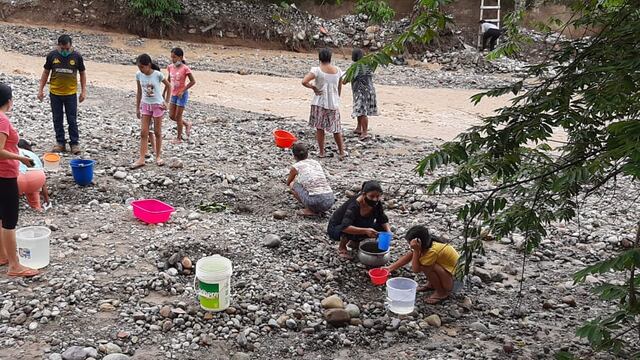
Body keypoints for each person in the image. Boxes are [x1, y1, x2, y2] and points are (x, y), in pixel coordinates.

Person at [0, 83, 39, 277]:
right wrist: (21, 158)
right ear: (9, 101)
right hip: (5, 175)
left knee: (0, 216)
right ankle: (14, 266)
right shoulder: (2, 120)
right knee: (9, 220)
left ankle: (3, 256)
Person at [37, 34, 87, 155]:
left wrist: (83, 91)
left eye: (67, 48)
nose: (65, 51)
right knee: (57, 119)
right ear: (58, 46)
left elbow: (82, 73)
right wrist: (40, 89)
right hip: (55, 93)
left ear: (71, 46)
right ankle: (60, 143)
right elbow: (45, 73)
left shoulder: (77, 56)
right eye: (62, 49)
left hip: (70, 94)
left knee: (72, 119)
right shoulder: (52, 56)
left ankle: (74, 143)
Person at [386, 225, 460, 304]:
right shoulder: (428, 243)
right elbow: (410, 255)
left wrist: (416, 250)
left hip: (456, 282)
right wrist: (390, 268)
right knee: (427, 263)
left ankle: (441, 292)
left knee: (427, 267)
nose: (410, 246)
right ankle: (431, 285)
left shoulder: (432, 251)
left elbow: (416, 269)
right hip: (449, 274)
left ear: (418, 242)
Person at [327, 180, 390, 259]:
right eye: (371, 196)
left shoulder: (377, 203)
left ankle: (354, 242)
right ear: (364, 194)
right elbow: (345, 227)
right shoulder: (354, 206)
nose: (375, 199)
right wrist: (366, 231)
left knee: (381, 228)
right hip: (337, 228)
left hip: (360, 224)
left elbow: (382, 219)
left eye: (378, 196)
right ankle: (342, 247)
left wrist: (388, 232)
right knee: (351, 226)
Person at [302, 48, 346, 160]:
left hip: (319, 102)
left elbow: (304, 81)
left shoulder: (317, 70)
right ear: (330, 58)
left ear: (320, 58)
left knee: (320, 128)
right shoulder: (338, 71)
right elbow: (339, 87)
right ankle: (341, 151)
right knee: (336, 129)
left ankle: (322, 152)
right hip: (333, 103)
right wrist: (336, 98)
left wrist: (313, 87)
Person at [131, 54, 171, 169]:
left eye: (142, 67)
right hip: (145, 105)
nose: (140, 70)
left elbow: (169, 86)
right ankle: (141, 158)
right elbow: (139, 92)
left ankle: (158, 156)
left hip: (157, 106)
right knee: (144, 132)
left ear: (148, 65)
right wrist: (137, 108)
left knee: (157, 132)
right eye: (139, 68)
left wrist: (166, 102)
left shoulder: (157, 75)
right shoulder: (139, 75)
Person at [286, 143, 335, 216]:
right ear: (307, 154)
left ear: (294, 156)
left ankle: (310, 209)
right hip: (330, 199)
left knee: (292, 185)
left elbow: (288, 182)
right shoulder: (315, 162)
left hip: (316, 201)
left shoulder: (296, 167)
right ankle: (318, 208)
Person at [344, 48, 378, 140]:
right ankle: (359, 128)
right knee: (360, 110)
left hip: (361, 92)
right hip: (370, 91)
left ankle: (364, 132)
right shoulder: (368, 65)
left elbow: (345, 80)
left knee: (362, 112)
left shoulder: (355, 67)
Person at [167, 47, 196, 144]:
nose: (173, 59)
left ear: (180, 57)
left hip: (182, 95)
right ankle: (187, 124)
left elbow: (193, 82)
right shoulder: (170, 67)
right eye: (172, 57)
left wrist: (183, 90)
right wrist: (164, 92)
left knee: (178, 117)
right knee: (171, 116)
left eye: (175, 57)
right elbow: (168, 81)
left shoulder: (185, 68)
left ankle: (178, 138)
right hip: (174, 94)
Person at [17, 140, 50, 211]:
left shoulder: (10, 152)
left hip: (18, 180)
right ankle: (37, 207)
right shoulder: (33, 155)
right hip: (37, 179)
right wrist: (47, 200)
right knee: (33, 189)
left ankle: (8, 207)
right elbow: (43, 184)